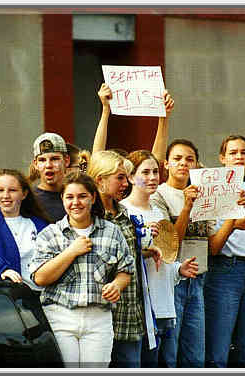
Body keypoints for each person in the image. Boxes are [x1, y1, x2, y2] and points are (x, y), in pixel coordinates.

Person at [150, 139, 245, 368]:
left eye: (189, 159)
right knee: (170, 356)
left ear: (196, 165)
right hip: (171, 283)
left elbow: (212, 247)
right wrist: (186, 207)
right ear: (166, 164)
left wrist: (232, 214)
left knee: (195, 357)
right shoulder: (159, 195)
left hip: (199, 280)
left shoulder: (205, 195)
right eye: (177, 159)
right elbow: (169, 244)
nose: (183, 163)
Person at [30, 172, 134, 367]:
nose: (75, 202)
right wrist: (71, 252)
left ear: (93, 198)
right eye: (69, 197)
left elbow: (125, 270)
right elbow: (40, 278)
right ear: (62, 199)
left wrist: (117, 285)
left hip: (98, 317)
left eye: (82, 196)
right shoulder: (50, 234)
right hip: (60, 315)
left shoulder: (112, 231)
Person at [121, 149, 199, 367]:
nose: (152, 177)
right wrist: (143, 241)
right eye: (145, 172)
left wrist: (178, 270)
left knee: (166, 364)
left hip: (165, 303)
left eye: (155, 172)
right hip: (141, 309)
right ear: (130, 177)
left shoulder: (159, 211)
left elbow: (164, 257)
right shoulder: (123, 211)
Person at [86, 150, 159, 368]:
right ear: (100, 179)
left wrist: (144, 251)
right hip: (102, 314)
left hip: (131, 313)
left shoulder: (125, 214)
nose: (126, 183)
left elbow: (124, 256)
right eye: (119, 177)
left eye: (126, 177)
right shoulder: (89, 217)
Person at [204, 135, 245, 368]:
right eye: (233, 152)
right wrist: (234, 224)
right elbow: (211, 244)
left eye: (244, 152)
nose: (239, 156)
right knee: (219, 343)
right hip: (225, 268)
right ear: (222, 157)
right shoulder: (213, 187)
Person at [32, 132, 70, 222]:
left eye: (54, 159)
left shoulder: (75, 197)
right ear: (35, 164)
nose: (48, 165)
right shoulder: (29, 199)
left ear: (66, 161)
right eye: (42, 160)